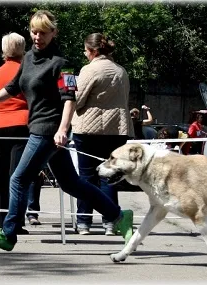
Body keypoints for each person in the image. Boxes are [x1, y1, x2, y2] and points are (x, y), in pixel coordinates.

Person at [0, 10, 133, 251]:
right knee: (72, 184)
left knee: (19, 178)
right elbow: (13, 88)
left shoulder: (61, 64)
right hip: (37, 127)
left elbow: (69, 98)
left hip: (48, 130)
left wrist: (63, 128)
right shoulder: (26, 60)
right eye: (34, 31)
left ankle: (8, 233)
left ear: (54, 33)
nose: (37, 36)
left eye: (43, 33)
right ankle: (119, 216)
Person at [71, 32, 134, 236]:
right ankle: (110, 221)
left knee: (87, 176)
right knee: (110, 176)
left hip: (89, 129)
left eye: (85, 50)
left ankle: (83, 222)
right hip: (117, 130)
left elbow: (77, 100)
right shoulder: (121, 71)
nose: (84, 53)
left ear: (93, 51)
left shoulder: (89, 70)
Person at [0, 32, 41, 232]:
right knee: (19, 175)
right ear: (23, 48)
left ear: (4, 50)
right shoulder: (28, 70)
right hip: (24, 125)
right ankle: (15, 221)